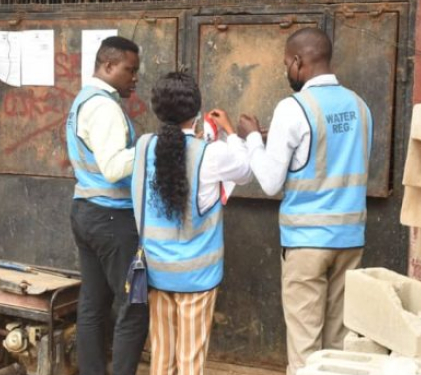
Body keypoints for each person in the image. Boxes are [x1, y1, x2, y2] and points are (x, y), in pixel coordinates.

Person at [237, 27, 373, 373]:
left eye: (287, 64)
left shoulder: (293, 108)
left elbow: (270, 182)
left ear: (298, 61)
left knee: (305, 348)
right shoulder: (360, 106)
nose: (287, 71)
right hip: (350, 239)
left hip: (306, 242)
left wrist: (252, 140)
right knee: (339, 346)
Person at [131, 72, 253, 375]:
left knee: (162, 358)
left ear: (157, 109)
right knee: (190, 361)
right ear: (197, 110)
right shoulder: (211, 153)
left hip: (157, 272)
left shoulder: (144, 146)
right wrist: (231, 132)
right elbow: (245, 171)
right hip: (197, 277)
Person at [66, 36, 148, 375]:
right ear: (108, 65)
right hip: (112, 218)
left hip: (87, 212)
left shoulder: (84, 99)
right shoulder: (104, 108)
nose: (135, 78)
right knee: (135, 304)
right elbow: (114, 168)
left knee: (93, 304)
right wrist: (149, 147)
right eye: (130, 70)